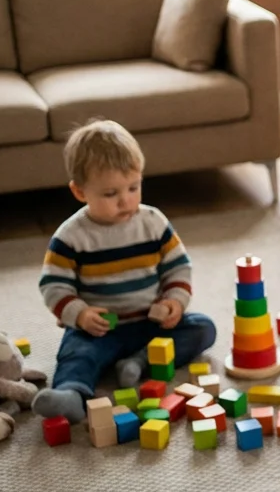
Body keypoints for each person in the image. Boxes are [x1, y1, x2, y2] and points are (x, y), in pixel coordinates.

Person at [32, 119, 216, 422]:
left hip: (151, 325)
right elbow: (54, 285)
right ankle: (72, 394)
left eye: (134, 187)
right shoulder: (70, 237)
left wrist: (173, 303)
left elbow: (178, 269)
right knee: (77, 353)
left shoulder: (154, 222)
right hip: (101, 329)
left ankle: (138, 362)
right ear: (80, 192)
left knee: (203, 327)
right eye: (110, 193)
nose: (126, 200)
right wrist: (79, 314)